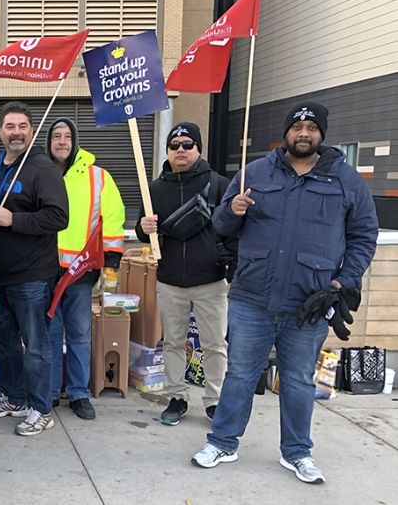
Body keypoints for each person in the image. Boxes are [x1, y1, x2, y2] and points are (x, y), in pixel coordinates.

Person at [192, 102, 378, 485]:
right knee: (240, 375)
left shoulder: (345, 180)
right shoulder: (255, 172)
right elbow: (221, 225)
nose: (304, 133)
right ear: (286, 133)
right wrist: (235, 210)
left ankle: (297, 452)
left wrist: (343, 282)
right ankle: (223, 442)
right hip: (252, 297)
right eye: (298, 127)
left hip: (309, 302)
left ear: (321, 134)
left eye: (311, 127)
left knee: (297, 380)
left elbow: (363, 237)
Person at [0, 101, 69, 436]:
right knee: (4, 343)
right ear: (0, 131)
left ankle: (41, 407)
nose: (15, 132)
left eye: (22, 126)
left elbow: (59, 217)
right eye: (9, 127)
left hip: (31, 276)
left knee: (36, 347)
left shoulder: (42, 168)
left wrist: (13, 219)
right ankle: (14, 398)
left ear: (31, 130)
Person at [135, 122, 234, 426]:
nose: (180, 150)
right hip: (170, 280)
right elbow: (143, 232)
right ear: (167, 150)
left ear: (199, 149)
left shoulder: (219, 184)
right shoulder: (153, 188)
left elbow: (233, 232)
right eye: (174, 144)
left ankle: (215, 400)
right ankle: (177, 397)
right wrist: (143, 228)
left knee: (216, 344)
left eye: (187, 144)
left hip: (211, 280)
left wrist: (232, 268)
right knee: (174, 343)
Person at [45, 118, 125, 420]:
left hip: (80, 273)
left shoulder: (98, 176)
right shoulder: (40, 171)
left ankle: (78, 394)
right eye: (56, 136)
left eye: (67, 136)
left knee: (79, 335)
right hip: (47, 271)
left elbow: (114, 218)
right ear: (49, 141)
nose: (62, 141)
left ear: (75, 140)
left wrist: (112, 261)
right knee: (50, 336)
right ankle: (51, 391)